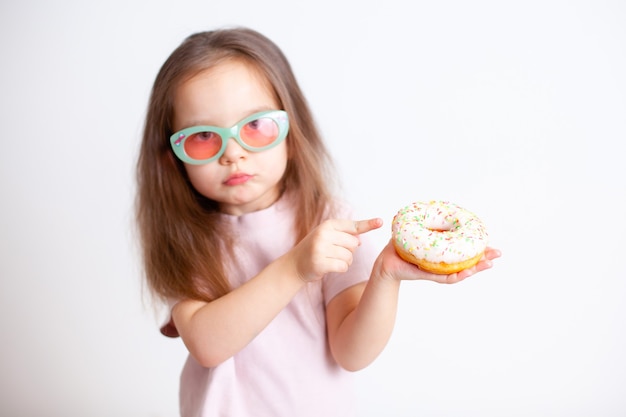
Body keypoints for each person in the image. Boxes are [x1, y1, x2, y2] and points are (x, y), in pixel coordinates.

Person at [136, 27, 500, 417]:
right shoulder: (188, 237)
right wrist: (295, 267)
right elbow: (208, 344)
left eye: (256, 126)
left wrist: (385, 278)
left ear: (292, 135)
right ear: (171, 157)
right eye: (204, 136)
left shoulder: (329, 223)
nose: (234, 153)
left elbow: (352, 352)